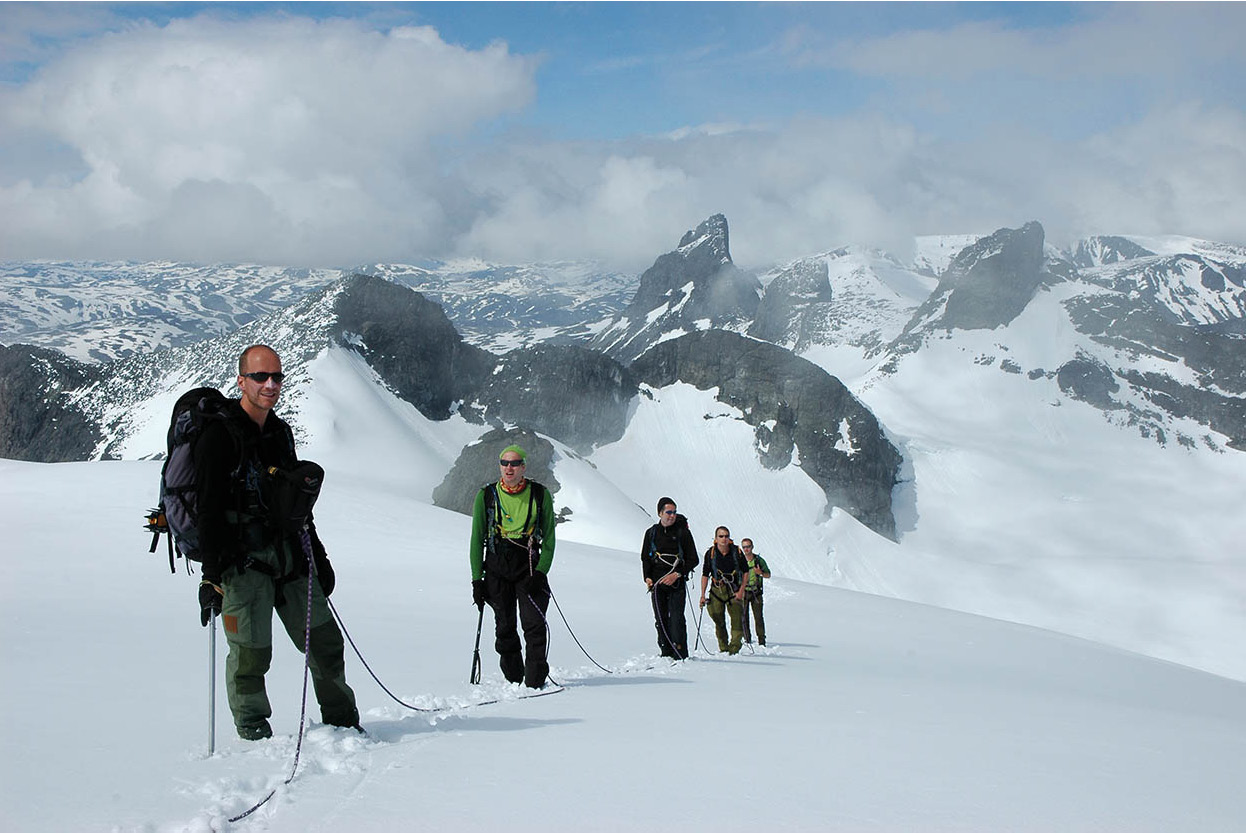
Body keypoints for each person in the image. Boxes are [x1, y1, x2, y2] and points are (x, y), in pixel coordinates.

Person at [195, 344, 360, 741]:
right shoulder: (218, 435)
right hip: (242, 564)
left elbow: (299, 503)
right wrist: (211, 575)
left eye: (277, 377)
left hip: (290, 556)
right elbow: (208, 508)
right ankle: (254, 738)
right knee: (251, 656)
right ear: (241, 381)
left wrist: (317, 556)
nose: (270, 385)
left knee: (325, 642)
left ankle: (343, 727)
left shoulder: (280, 433)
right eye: (260, 377)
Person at [468, 444, 557, 688]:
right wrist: (477, 579)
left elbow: (549, 538)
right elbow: (477, 540)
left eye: (515, 463)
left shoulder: (540, 495)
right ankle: (514, 678)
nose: (509, 468)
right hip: (497, 566)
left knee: (534, 624)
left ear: (523, 467)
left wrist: (541, 573)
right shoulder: (485, 496)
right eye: (504, 463)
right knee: (505, 626)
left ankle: (534, 680)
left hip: (529, 566)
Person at [640, 497, 697, 659]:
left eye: (674, 512)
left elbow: (693, 559)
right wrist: (648, 578)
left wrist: (677, 574)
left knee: (677, 619)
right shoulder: (651, 533)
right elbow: (645, 558)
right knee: (661, 619)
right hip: (657, 584)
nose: (672, 515)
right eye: (669, 512)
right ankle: (666, 652)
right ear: (660, 513)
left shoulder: (683, 533)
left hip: (676, 583)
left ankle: (680, 653)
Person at [698, 526, 749, 655]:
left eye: (726, 536)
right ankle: (723, 648)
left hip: (734, 590)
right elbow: (705, 574)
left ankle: (734, 649)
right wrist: (702, 595)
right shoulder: (711, 553)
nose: (724, 539)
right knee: (718, 620)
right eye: (721, 536)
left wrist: (742, 590)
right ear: (716, 538)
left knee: (737, 621)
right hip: (717, 590)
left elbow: (746, 571)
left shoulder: (737, 552)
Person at [739, 538, 771, 647]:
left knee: (758, 617)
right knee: (743, 617)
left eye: (748, 547)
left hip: (756, 592)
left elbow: (768, 574)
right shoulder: (739, 561)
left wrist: (760, 572)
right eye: (744, 547)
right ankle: (747, 638)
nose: (746, 549)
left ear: (752, 547)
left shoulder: (759, 561)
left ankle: (761, 640)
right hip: (743, 592)